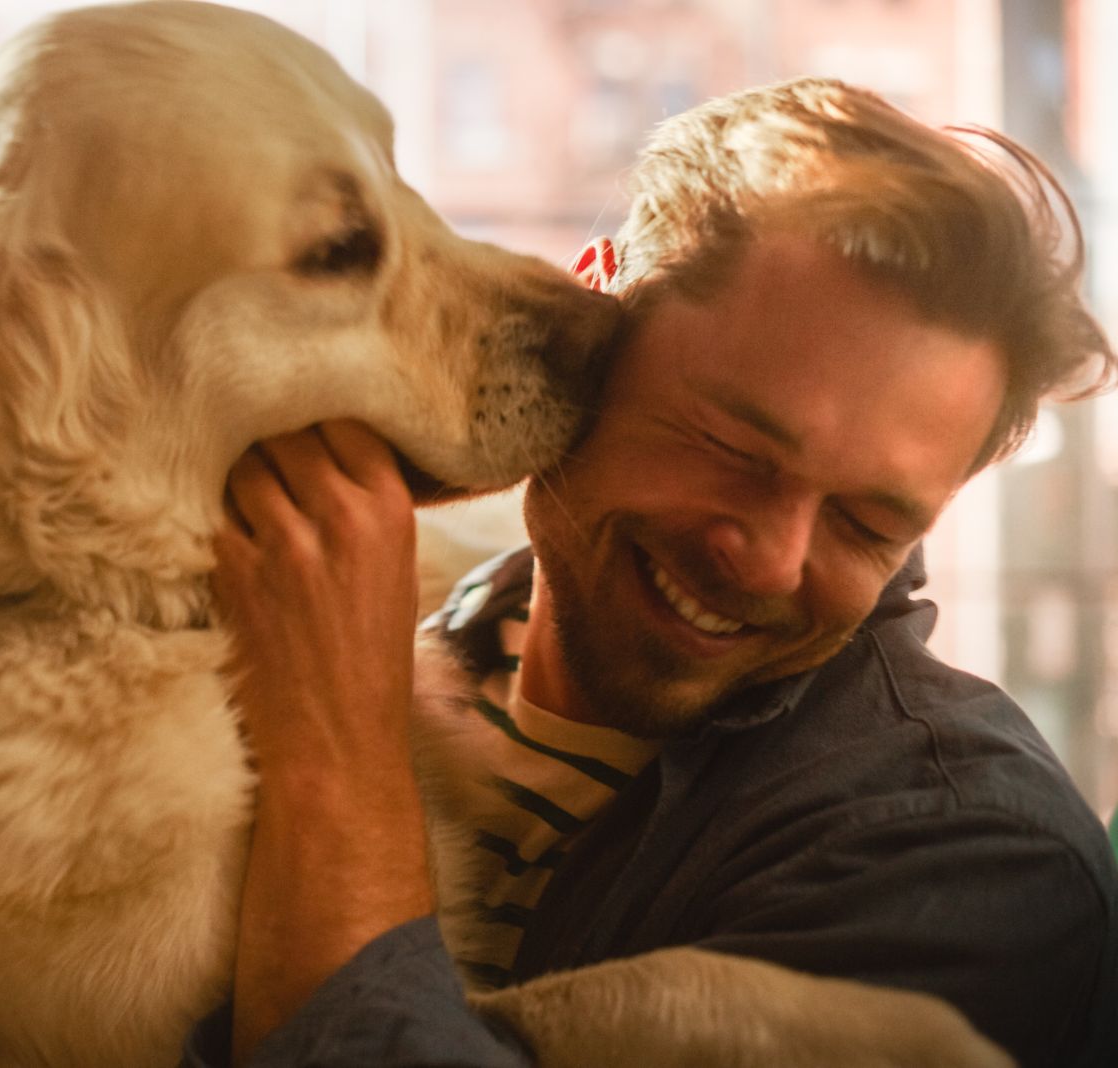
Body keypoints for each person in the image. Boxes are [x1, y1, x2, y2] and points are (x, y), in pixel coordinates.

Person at [189, 77, 1118, 1068]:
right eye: (732, 447)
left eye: (863, 522)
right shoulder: (339, 628)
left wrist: (338, 758)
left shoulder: (966, 855)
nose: (768, 559)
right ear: (594, 320)